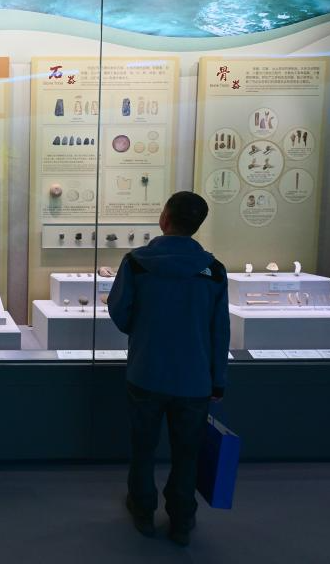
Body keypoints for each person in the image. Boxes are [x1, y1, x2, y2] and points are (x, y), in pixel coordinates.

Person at [107, 191, 229, 546]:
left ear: (164, 219)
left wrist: (144, 331)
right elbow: (219, 330)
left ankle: (143, 509)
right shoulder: (213, 270)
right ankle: (181, 519)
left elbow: (119, 311)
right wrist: (218, 381)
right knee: (187, 452)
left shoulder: (137, 263)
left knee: (143, 447)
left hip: (146, 371)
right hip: (194, 379)